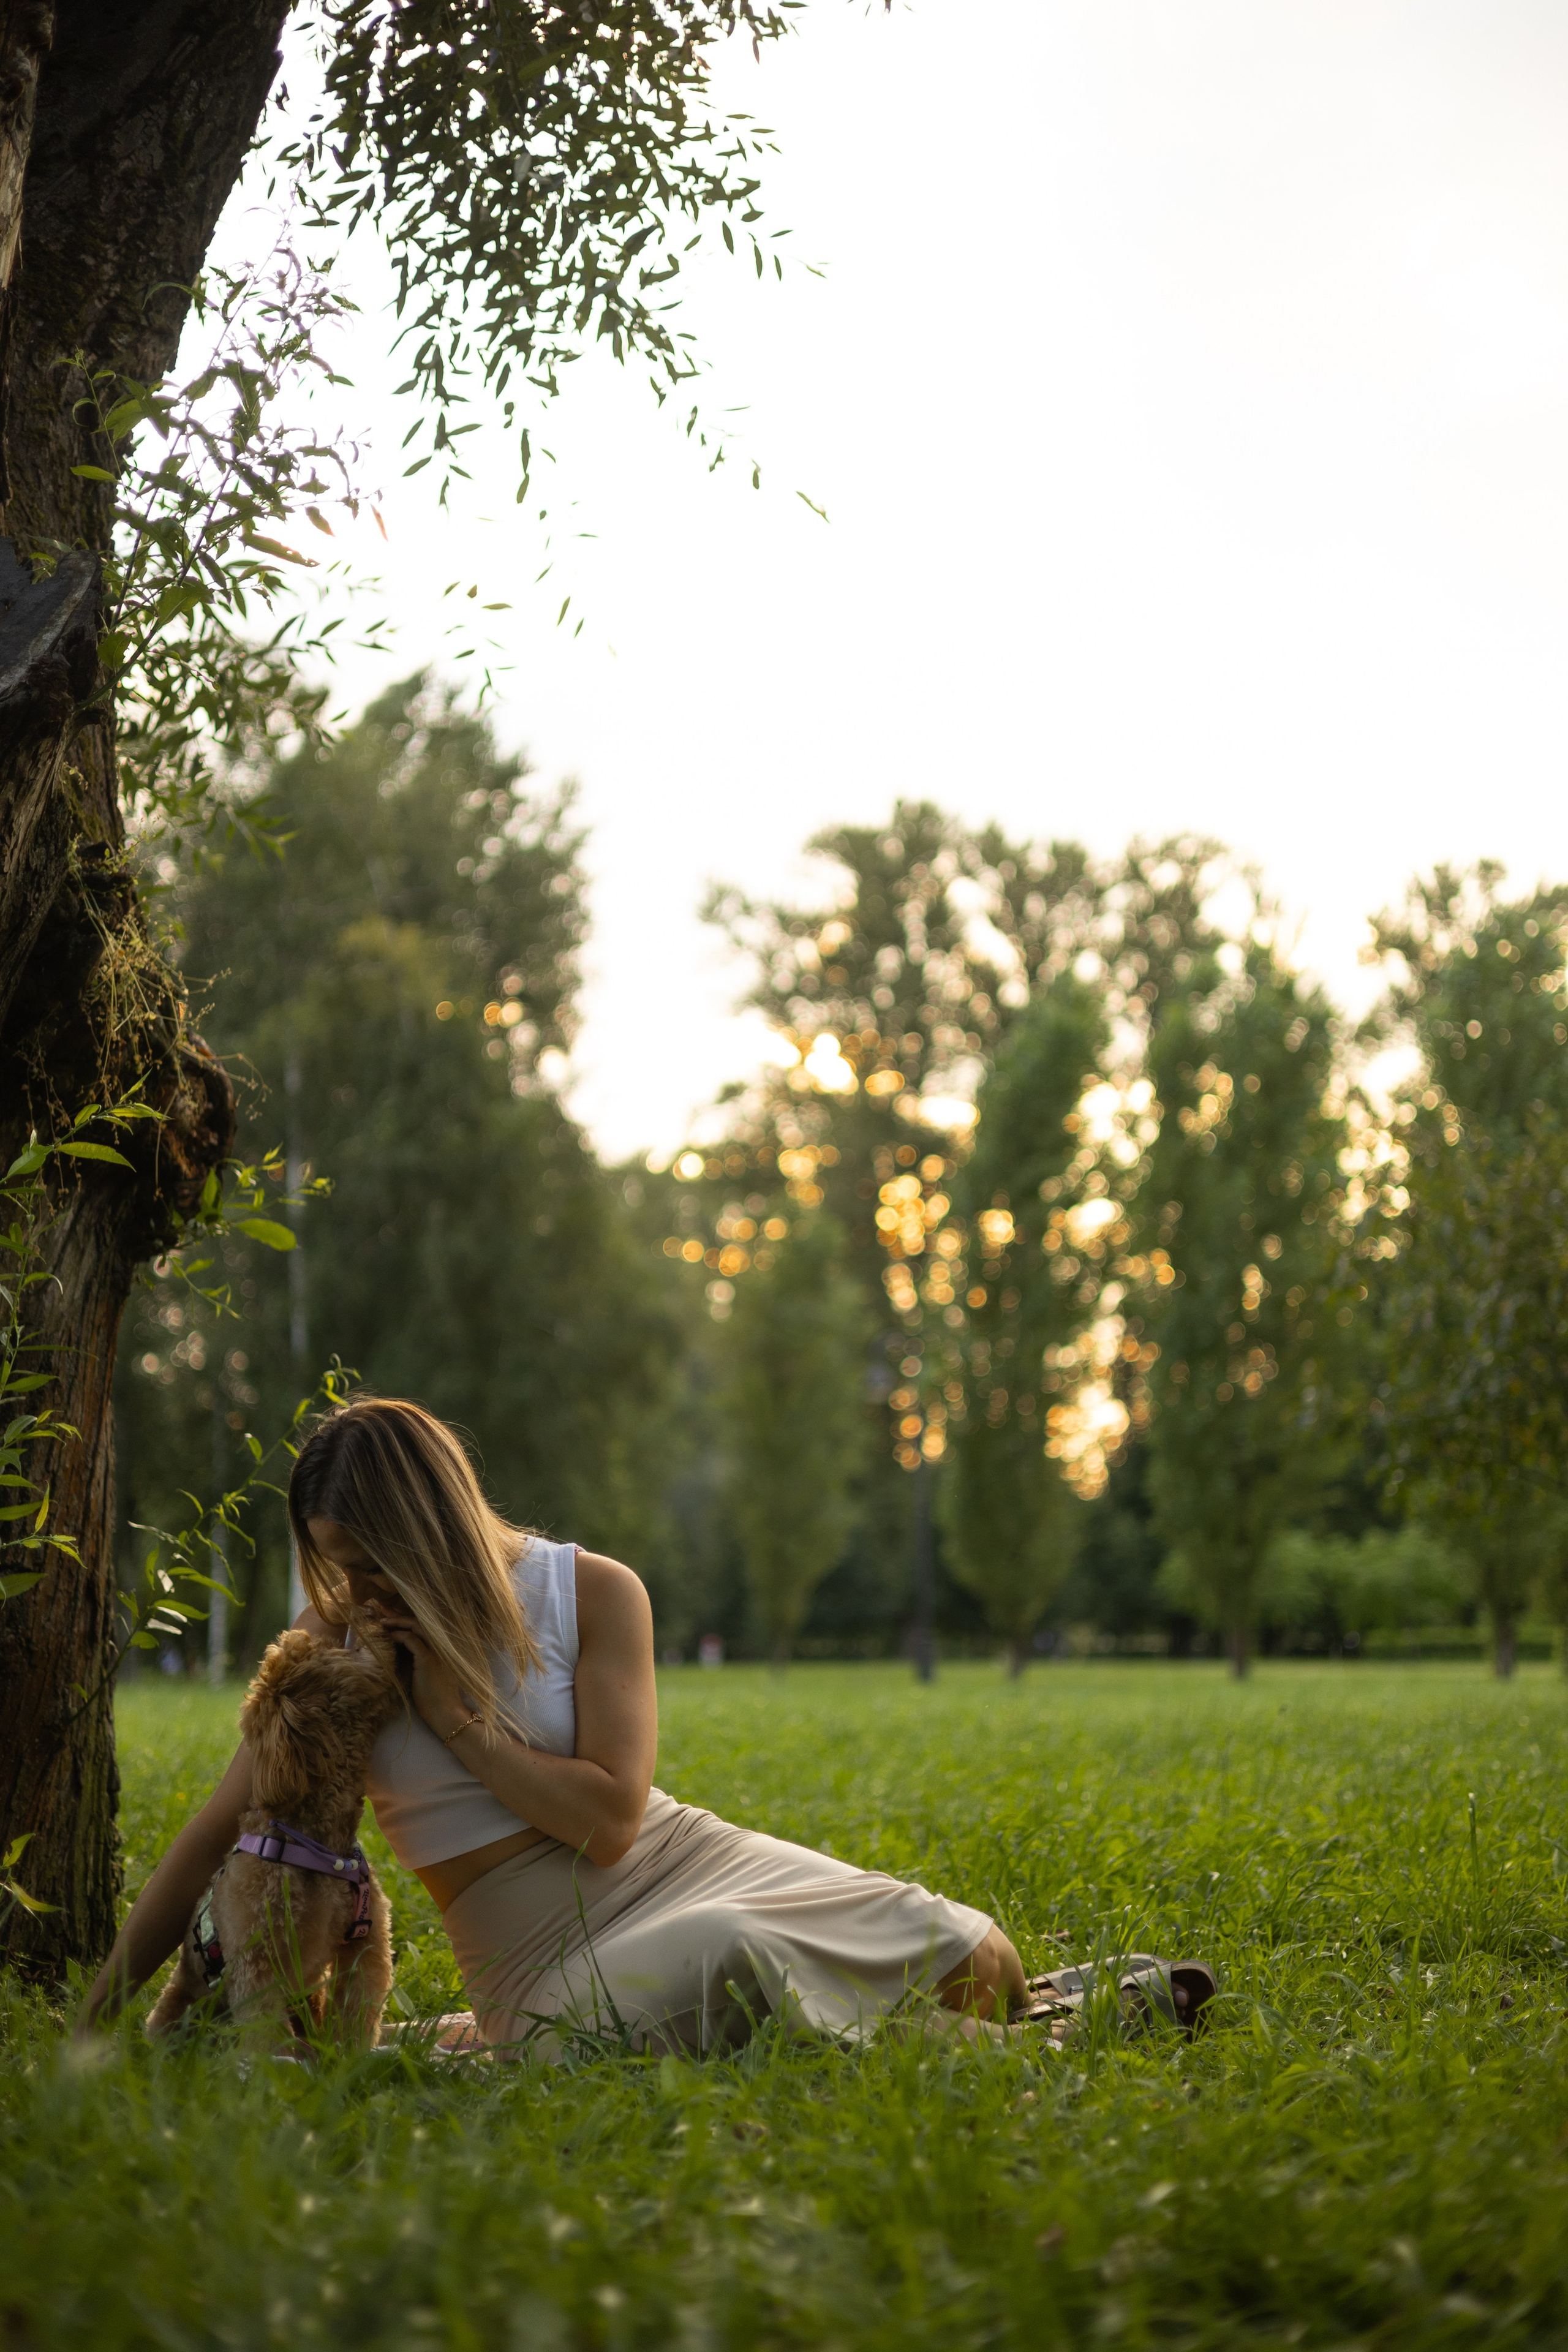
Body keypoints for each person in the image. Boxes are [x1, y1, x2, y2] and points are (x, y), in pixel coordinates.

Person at [82, 1396, 1026, 2054]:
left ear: (430, 1529)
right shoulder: (335, 1639)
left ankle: (999, 2023)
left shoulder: (595, 1591)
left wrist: (457, 1722)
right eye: (338, 1565)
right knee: (734, 1956)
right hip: (541, 1961)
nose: (358, 1589)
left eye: (373, 1562)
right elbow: (216, 1834)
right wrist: (92, 2022)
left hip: (687, 1864)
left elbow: (611, 1824)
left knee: (976, 1955)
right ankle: (990, 2048)